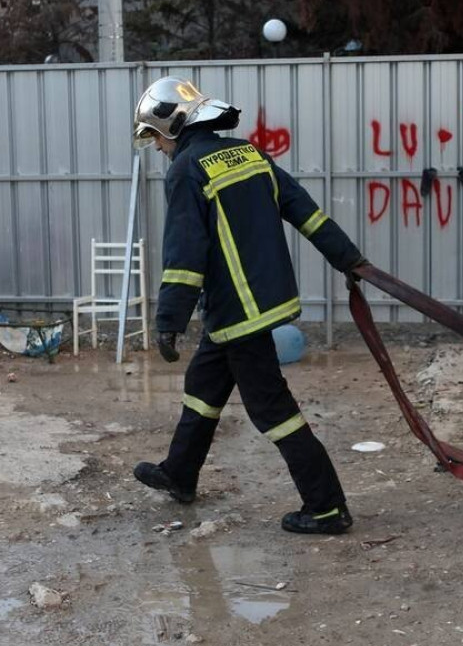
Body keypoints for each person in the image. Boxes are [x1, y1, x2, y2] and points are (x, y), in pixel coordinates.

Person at [129, 77, 367, 535]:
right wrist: (347, 256)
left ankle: (326, 507)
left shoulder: (186, 171)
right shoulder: (248, 153)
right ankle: (180, 473)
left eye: (156, 138)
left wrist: (168, 320)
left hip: (238, 311)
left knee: (272, 410)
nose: (157, 148)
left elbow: (185, 252)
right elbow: (303, 208)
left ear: (172, 127)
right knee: (204, 384)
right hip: (260, 300)